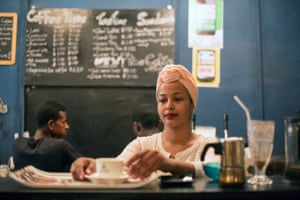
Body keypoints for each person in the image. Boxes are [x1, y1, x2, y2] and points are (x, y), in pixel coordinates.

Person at [71, 64, 219, 180]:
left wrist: (169, 164)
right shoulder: (142, 145)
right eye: (162, 100)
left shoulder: (209, 145)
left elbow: (217, 170)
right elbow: (118, 167)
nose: (169, 105)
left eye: (178, 99)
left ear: (192, 105)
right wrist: (93, 165)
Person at [13, 100, 82, 172]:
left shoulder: (18, 145)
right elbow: (87, 166)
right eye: (63, 122)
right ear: (51, 124)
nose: (67, 126)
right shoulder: (59, 146)